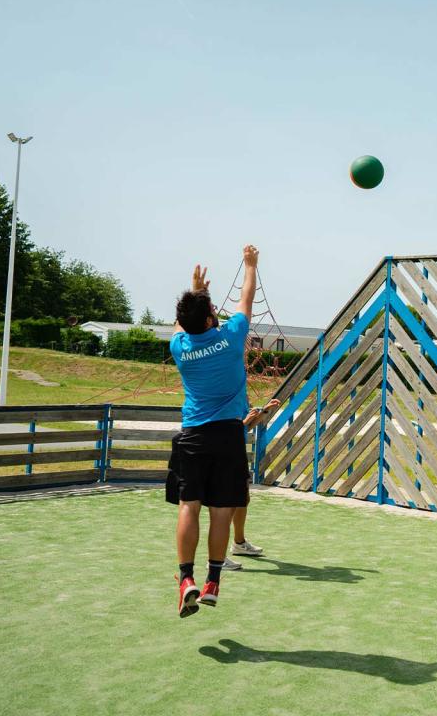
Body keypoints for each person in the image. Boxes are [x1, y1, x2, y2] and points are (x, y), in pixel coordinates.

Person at [169, 244, 263, 618]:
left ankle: (185, 580)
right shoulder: (231, 337)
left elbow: (183, 322)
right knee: (221, 512)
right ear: (210, 321)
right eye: (211, 310)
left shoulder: (179, 346)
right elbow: (246, 298)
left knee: (189, 506)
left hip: (193, 436)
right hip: (228, 436)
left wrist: (195, 290)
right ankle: (213, 581)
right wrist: (250, 265)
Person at [222, 401, 279, 571]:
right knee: (226, 505)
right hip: (224, 455)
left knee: (242, 500)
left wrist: (264, 412)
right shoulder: (224, 396)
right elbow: (222, 431)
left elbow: (245, 428)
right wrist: (245, 421)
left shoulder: (239, 394)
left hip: (237, 455)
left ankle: (239, 544)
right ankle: (217, 557)